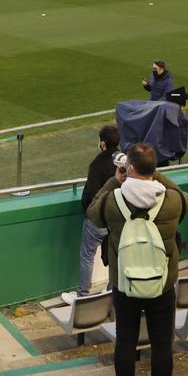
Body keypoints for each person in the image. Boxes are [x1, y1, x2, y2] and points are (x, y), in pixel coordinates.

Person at [88, 143, 188, 376]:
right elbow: (181, 194)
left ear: (129, 168)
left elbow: (92, 213)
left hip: (125, 283)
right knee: (162, 345)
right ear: (153, 170)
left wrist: (114, 180)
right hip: (162, 282)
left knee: (125, 343)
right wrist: (156, 175)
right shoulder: (172, 201)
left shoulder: (113, 200)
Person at [67, 124, 119, 299]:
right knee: (114, 253)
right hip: (117, 218)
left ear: (103, 143)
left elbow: (90, 194)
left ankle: (83, 295)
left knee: (87, 256)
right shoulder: (124, 161)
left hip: (98, 220)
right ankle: (113, 289)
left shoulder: (97, 164)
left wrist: (89, 212)